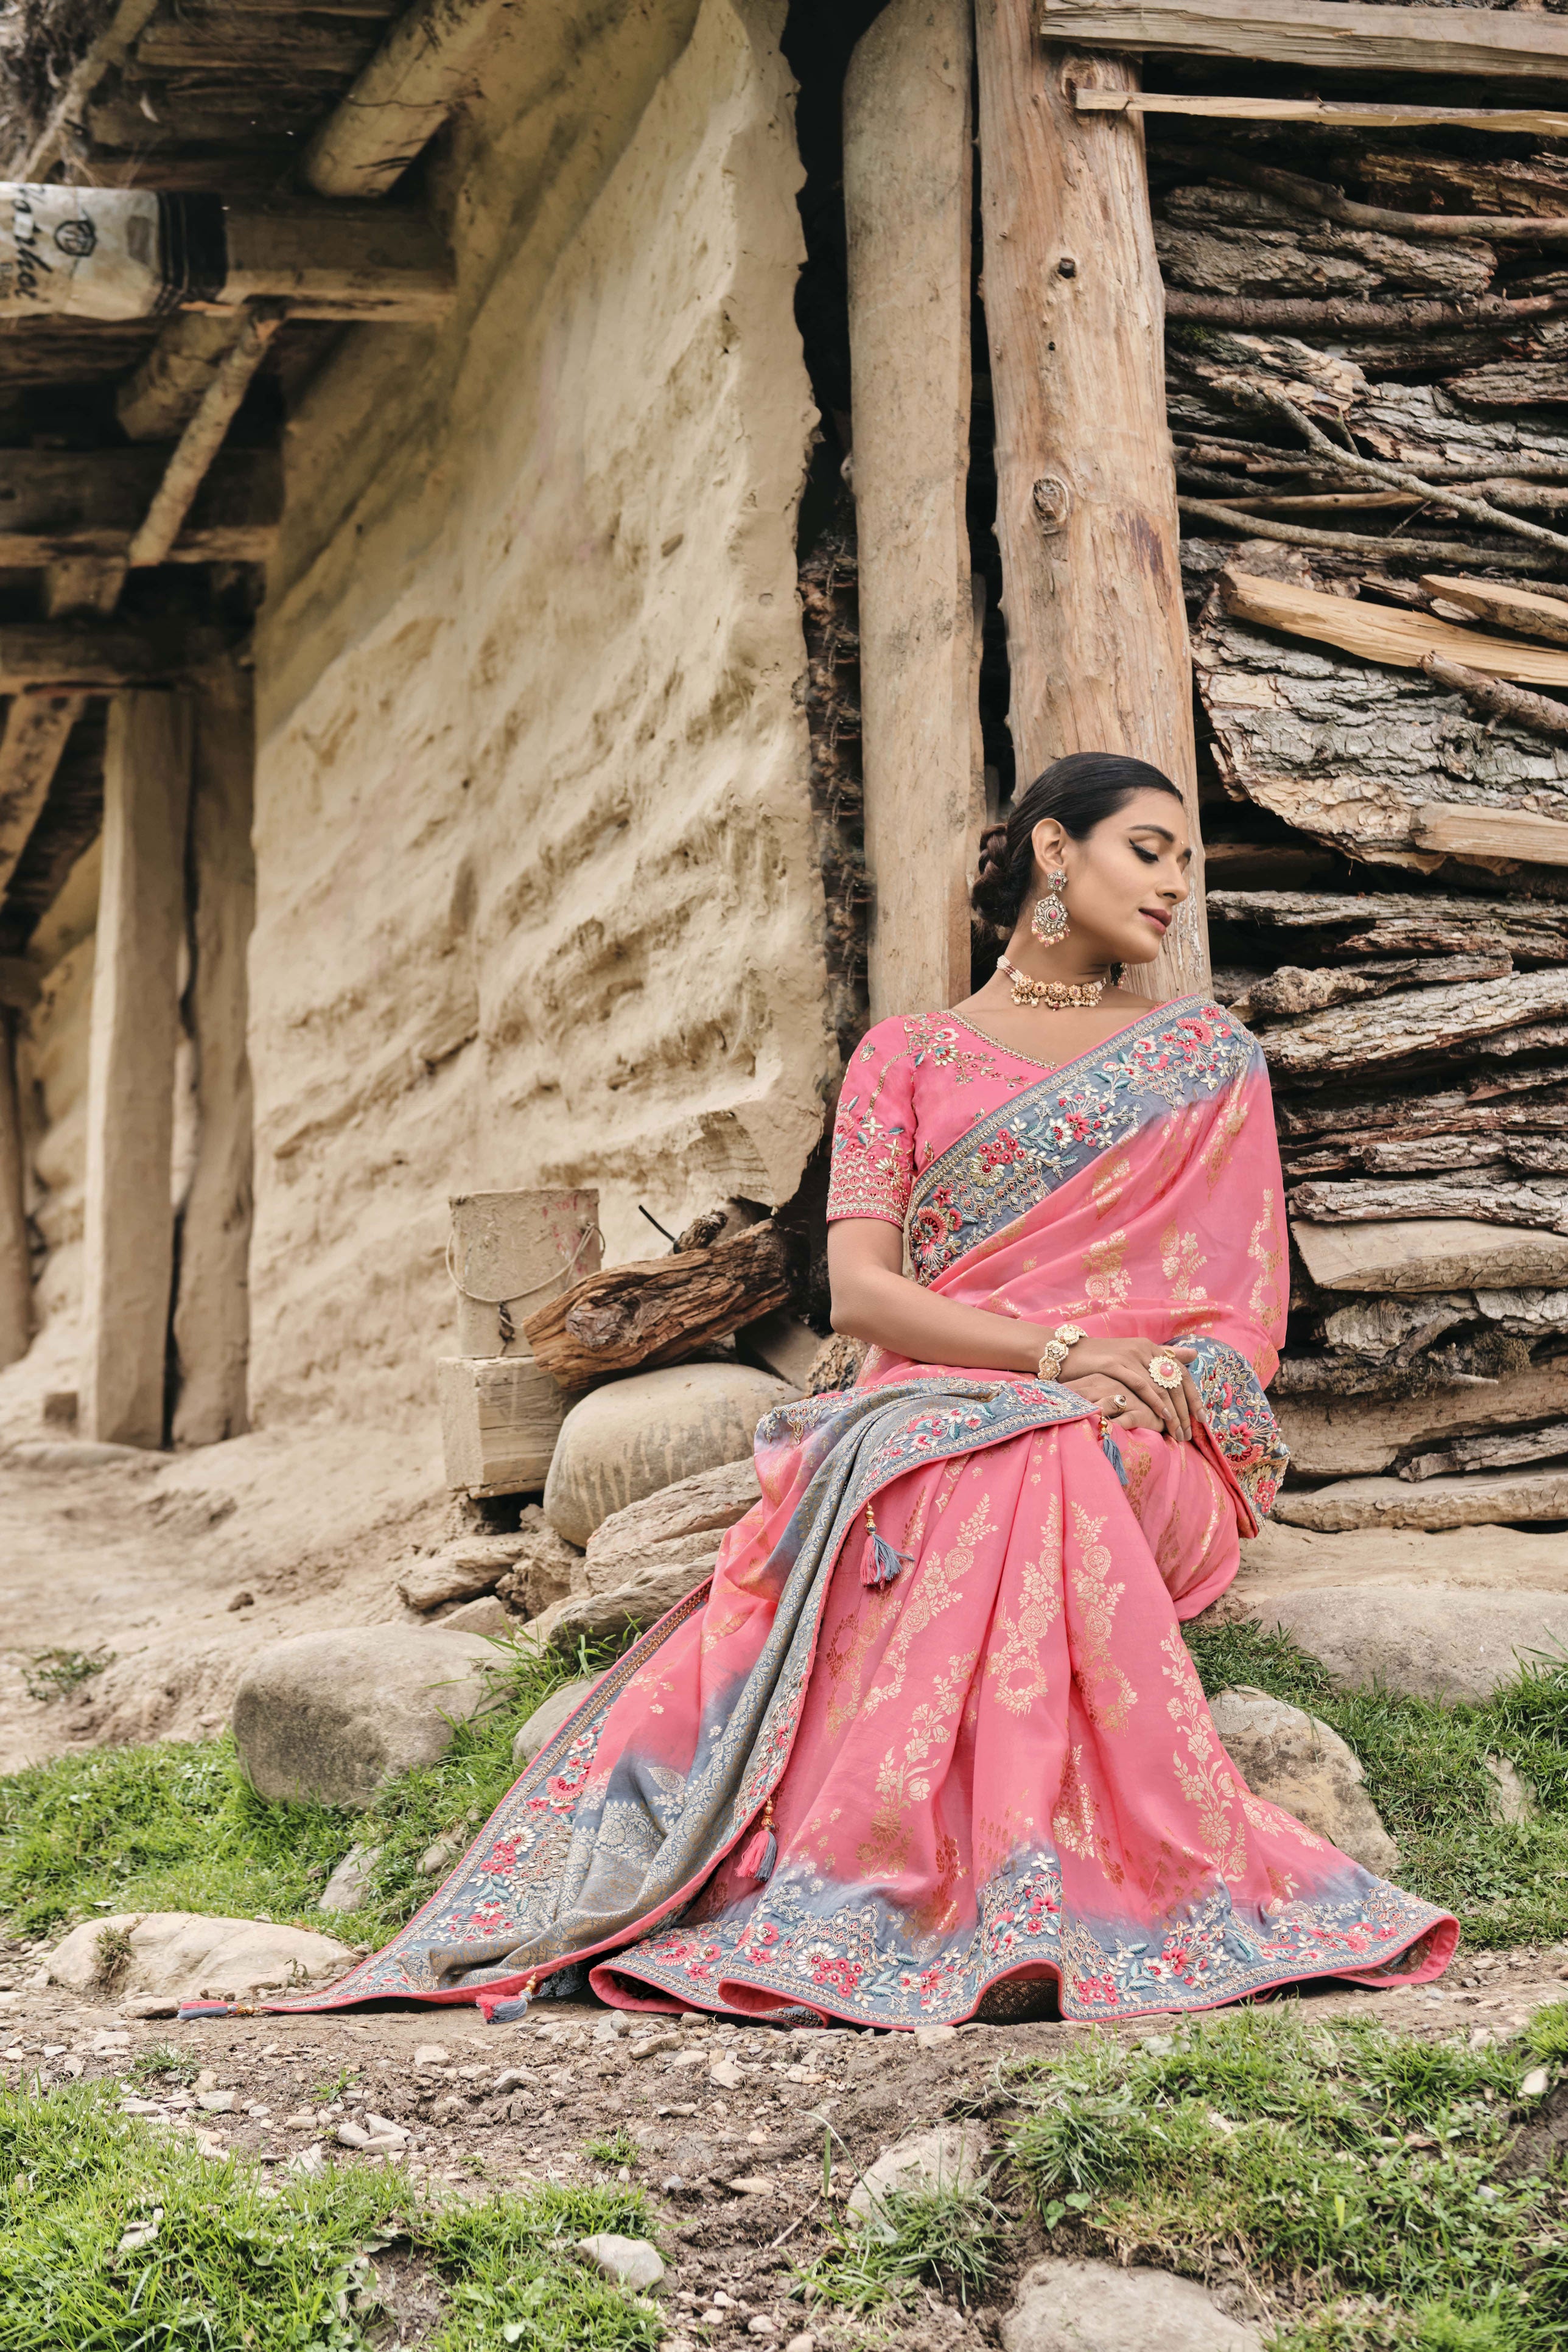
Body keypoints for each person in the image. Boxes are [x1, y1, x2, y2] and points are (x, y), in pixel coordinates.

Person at [255, 753, 1455, 2032]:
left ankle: (916, 1889)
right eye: (1147, 849)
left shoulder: (1206, 1061)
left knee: (1032, 1455)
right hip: (948, 1418)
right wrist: (1052, 1361)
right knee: (990, 1449)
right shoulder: (910, 1054)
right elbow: (864, 1294)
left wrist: (1146, 1380)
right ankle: (911, 1889)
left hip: (1138, 1442)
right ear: (1055, 851)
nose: (1172, 884)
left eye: (1184, 863)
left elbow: (1237, 1313)